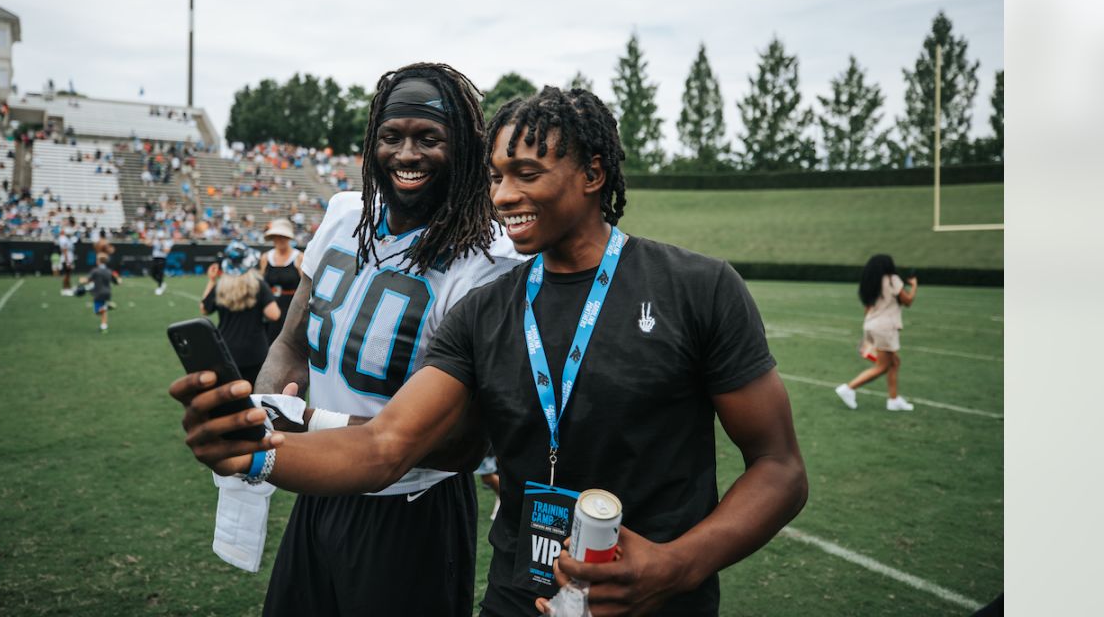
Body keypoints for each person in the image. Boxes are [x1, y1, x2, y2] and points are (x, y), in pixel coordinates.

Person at [172, 86, 808, 617]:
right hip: (513, 598)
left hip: (656, 602)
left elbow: (779, 468)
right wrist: (251, 453)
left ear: (593, 173)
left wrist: (676, 565)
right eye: (497, 176)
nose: (502, 197)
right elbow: (386, 446)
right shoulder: (486, 307)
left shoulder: (696, 287)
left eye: (526, 175)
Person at [174, 63, 525, 616]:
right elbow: (291, 342)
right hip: (320, 489)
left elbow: (464, 444)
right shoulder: (344, 215)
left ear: (464, 148)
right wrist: (268, 410)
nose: (406, 154)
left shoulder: (491, 261)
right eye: (392, 136)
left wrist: (313, 425)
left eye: (428, 138)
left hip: (412, 508)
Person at [835, 254, 919, 411]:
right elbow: (907, 301)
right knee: (882, 366)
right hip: (885, 327)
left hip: (871, 324)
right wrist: (914, 285)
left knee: (895, 362)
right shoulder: (892, 279)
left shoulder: (871, 282)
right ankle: (848, 388)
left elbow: (867, 309)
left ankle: (893, 400)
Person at [201, 240, 283, 383]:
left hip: (226, 350)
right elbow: (274, 314)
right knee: (255, 397)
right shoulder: (259, 286)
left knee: (232, 396)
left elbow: (205, 309)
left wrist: (212, 280)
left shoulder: (221, 286)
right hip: (255, 351)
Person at [257, 218, 303, 347]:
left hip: (292, 309)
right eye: (276, 236)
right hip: (270, 307)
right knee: (269, 343)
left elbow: (305, 287)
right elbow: (261, 283)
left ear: (289, 238)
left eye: (282, 236)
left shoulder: (299, 258)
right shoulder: (266, 258)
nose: (279, 239)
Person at [84, 253, 121, 332]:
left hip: (98, 293)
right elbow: (117, 282)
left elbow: (87, 280)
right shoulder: (109, 271)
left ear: (98, 261)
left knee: (97, 311)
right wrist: (118, 280)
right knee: (103, 311)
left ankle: (106, 307)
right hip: (107, 293)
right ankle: (104, 327)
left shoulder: (95, 271)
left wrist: (82, 281)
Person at [148, 228, 173, 295]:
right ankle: (162, 283)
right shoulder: (155, 241)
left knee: (160, 273)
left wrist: (163, 243)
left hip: (162, 258)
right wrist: (153, 237)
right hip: (155, 258)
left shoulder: (168, 241)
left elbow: (167, 251)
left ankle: (160, 287)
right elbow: (148, 244)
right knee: (151, 273)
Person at [57, 219, 77, 296]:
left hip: (69, 259)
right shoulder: (64, 239)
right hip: (66, 259)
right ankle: (65, 289)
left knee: (68, 274)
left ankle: (68, 288)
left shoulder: (68, 239)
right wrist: (67, 262)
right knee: (66, 274)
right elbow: (65, 251)